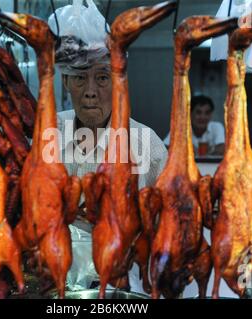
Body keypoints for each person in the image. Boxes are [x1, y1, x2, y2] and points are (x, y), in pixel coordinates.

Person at [47, 1, 168, 294]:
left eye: (102, 78)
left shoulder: (146, 143)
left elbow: (167, 228)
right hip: (54, 282)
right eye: (79, 78)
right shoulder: (48, 134)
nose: (90, 91)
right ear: (65, 81)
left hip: (124, 286)